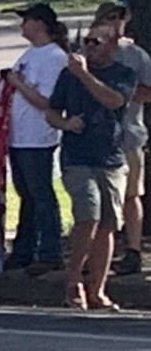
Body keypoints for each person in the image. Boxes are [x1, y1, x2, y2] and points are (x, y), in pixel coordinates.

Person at [46, 21, 135, 311]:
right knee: (88, 214)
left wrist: (83, 74)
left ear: (112, 44)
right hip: (77, 157)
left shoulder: (123, 74)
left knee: (109, 224)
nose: (88, 47)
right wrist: (65, 123)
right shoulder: (68, 76)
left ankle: (97, 290)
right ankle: (73, 283)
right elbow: (51, 112)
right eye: (86, 41)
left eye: (96, 42)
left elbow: (112, 101)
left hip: (110, 158)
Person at [3, 3, 69, 275]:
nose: (22, 25)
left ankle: (50, 251)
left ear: (40, 24)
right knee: (27, 196)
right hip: (18, 136)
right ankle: (24, 249)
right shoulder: (29, 55)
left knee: (41, 196)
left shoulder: (54, 57)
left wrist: (17, 84)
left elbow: (47, 101)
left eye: (26, 20)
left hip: (37, 138)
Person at [92, 3, 151, 276]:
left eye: (119, 19)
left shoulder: (136, 56)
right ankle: (99, 253)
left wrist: (127, 91)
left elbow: (149, 92)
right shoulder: (88, 53)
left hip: (129, 134)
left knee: (130, 196)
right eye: (109, 18)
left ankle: (133, 251)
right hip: (96, 136)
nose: (115, 23)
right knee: (99, 199)